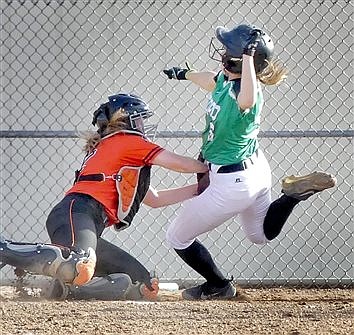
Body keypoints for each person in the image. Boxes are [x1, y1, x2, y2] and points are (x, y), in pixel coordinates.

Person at [162, 23, 336, 300]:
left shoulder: (245, 91)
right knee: (260, 236)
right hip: (254, 170)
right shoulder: (228, 81)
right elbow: (211, 80)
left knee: (177, 236)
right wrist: (184, 74)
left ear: (240, 61)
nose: (221, 52)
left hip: (232, 182)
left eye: (227, 51)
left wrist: (246, 59)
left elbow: (246, 100)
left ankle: (218, 285)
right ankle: (291, 196)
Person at [0, 92, 208, 301]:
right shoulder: (126, 140)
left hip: (86, 220)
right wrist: (208, 166)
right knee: (80, 264)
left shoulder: (114, 147)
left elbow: (155, 199)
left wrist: (199, 189)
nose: (143, 126)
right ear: (125, 121)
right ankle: (4, 249)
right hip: (78, 212)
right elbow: (179, 163)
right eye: (140, 120)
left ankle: (65, 290)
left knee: (144, 287)